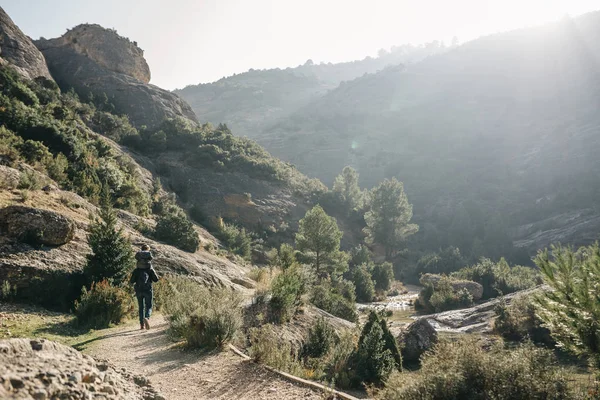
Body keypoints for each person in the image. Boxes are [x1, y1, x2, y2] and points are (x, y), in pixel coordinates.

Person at [130, 244, 159, 330]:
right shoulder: (149, 269)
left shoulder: (136, 270)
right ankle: (147, 317)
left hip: (138, 289)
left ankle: (142, 325)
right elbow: (156, 279)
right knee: (149, 305)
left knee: (141, 307)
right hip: (148, 289)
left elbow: (131, 281)